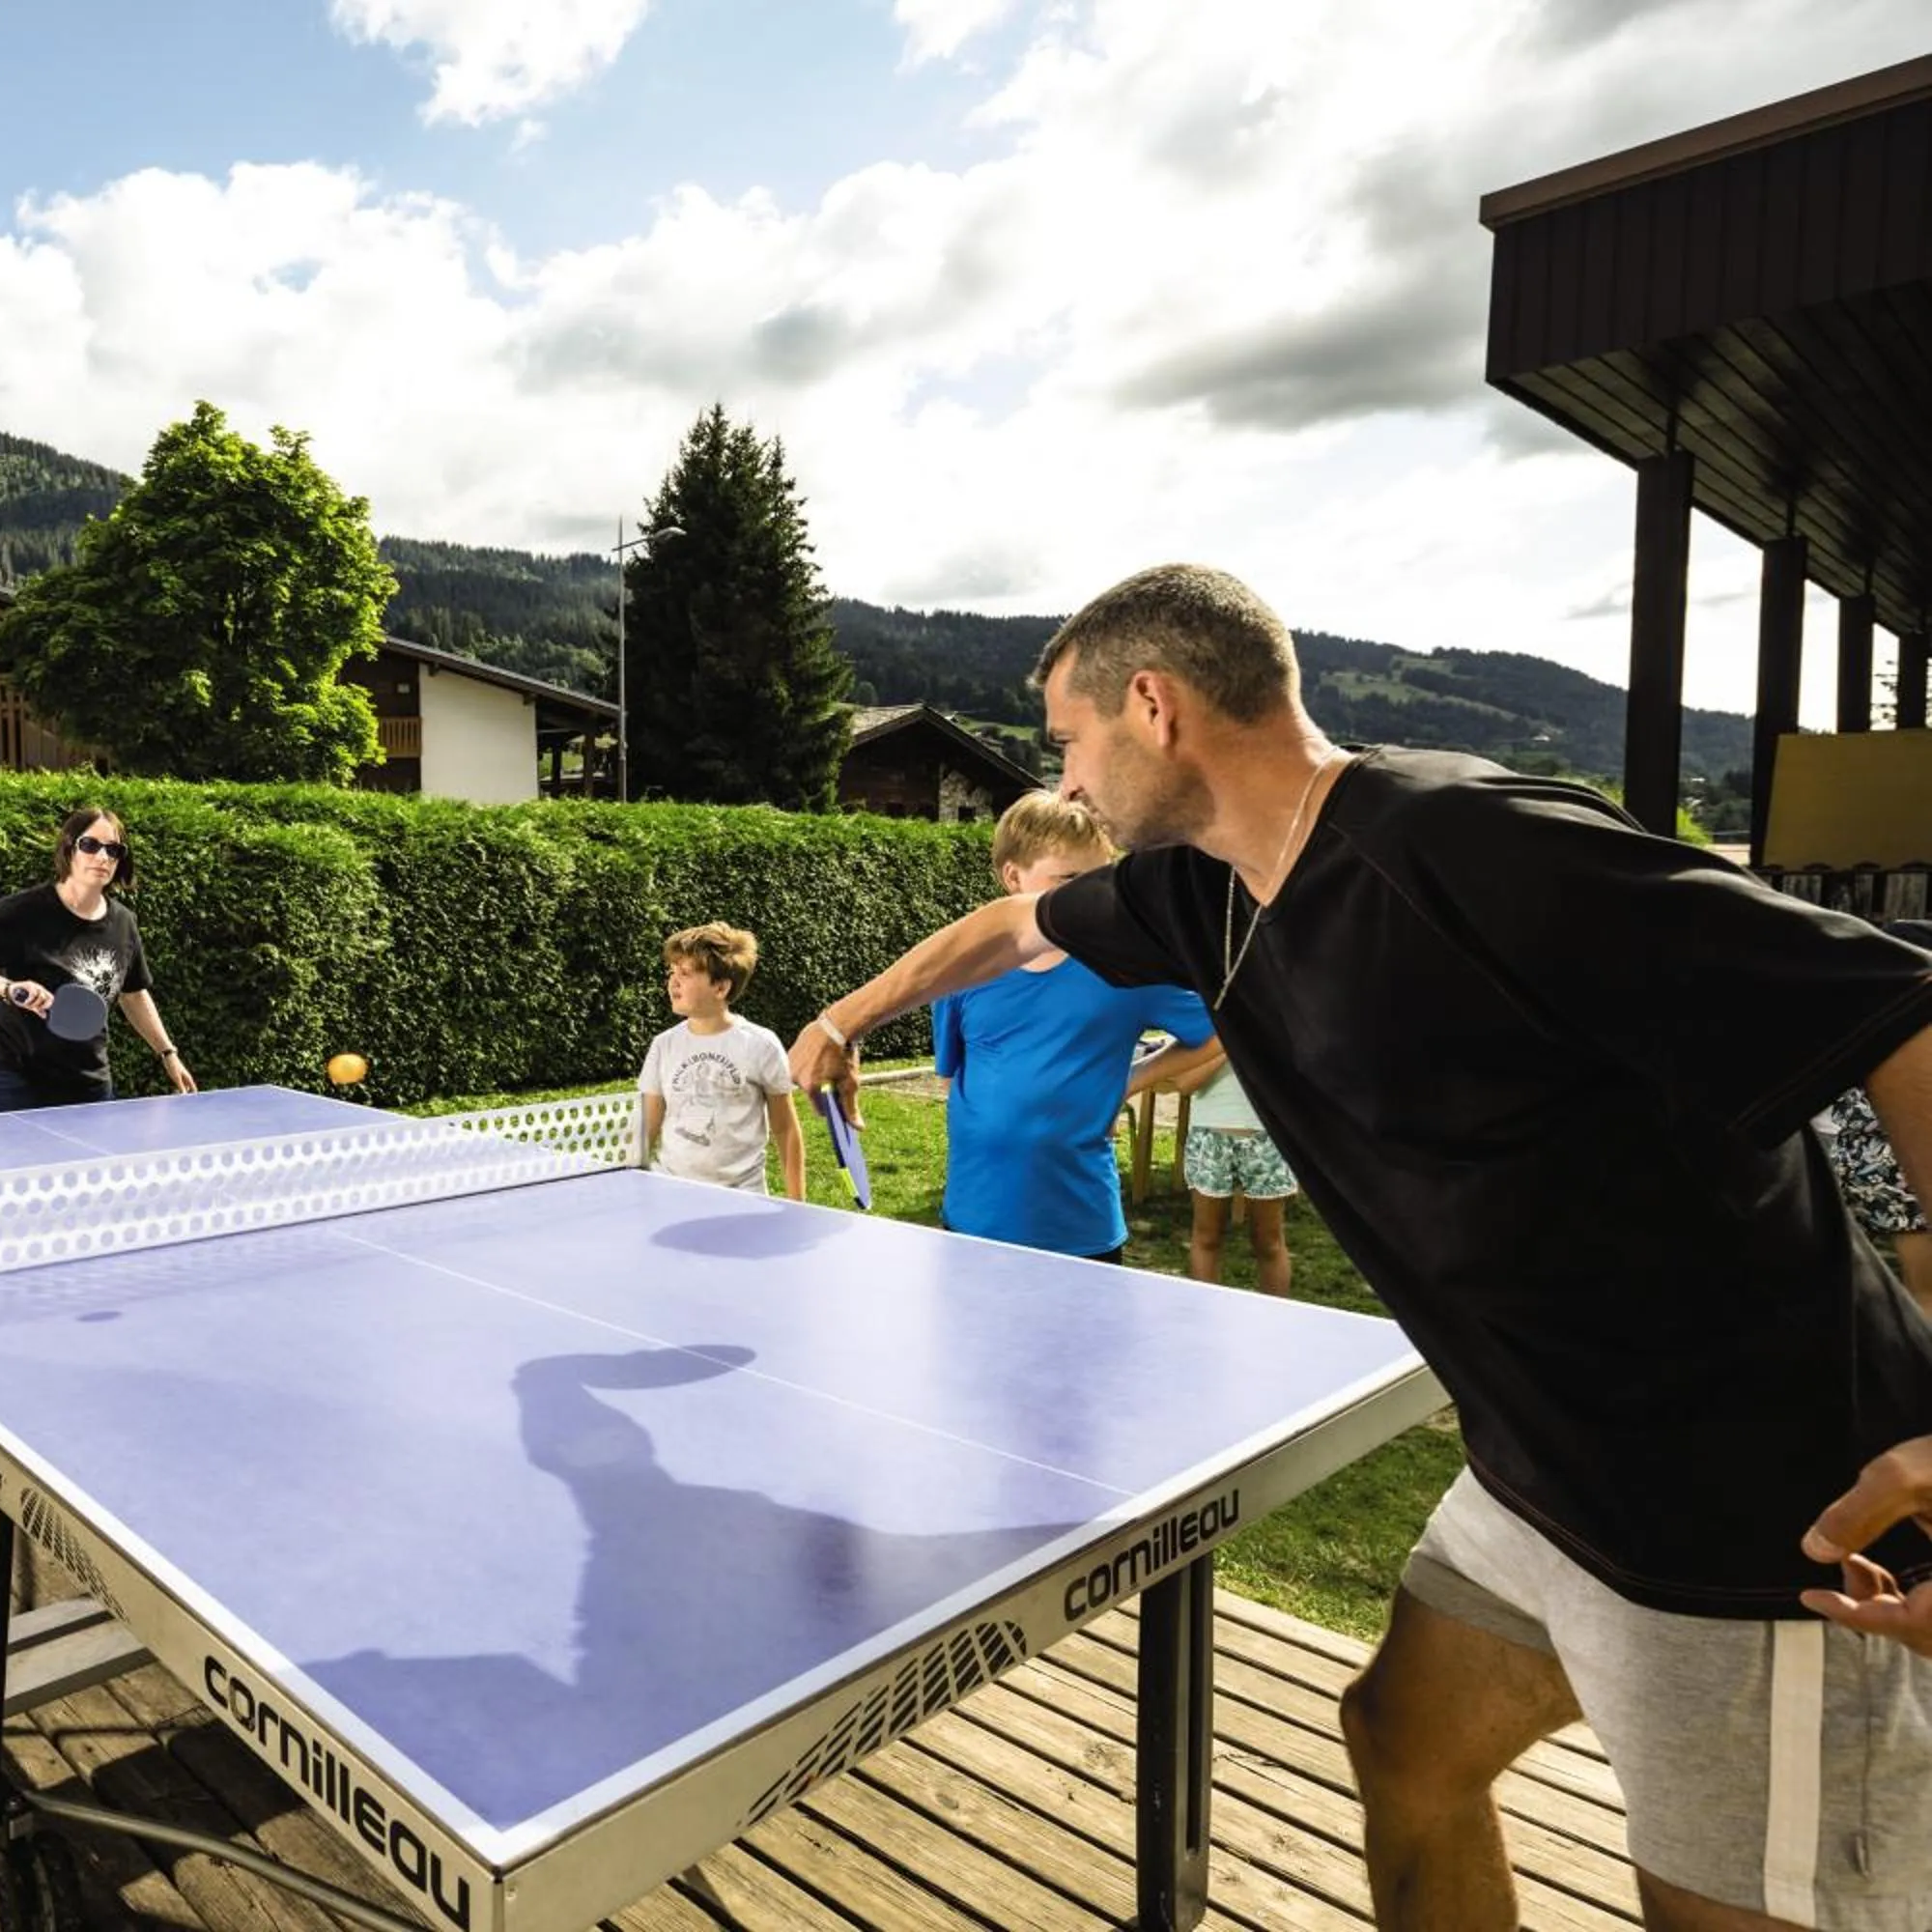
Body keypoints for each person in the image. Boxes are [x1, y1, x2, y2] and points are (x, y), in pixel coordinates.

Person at [788, 563, 1932, 1931]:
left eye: (1068, 740)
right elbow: (1012, 925)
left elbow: (1904, 1013)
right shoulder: (1197, 894)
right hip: (1536, 1477)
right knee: (1402, 1742)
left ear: (1151, 705)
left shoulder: (1472, 844)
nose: (1066, 781)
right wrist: (846, 1019)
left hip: (1756, 1510)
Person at [927, 792, 1218, 1263]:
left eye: (1102, 880)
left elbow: (1220, 1027)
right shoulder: (962, 967)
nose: (1093, 896)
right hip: (970, 1225)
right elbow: (951, 1077)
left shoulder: (1129, 965)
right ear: (1012, 877)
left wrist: (1132, 1079)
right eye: (1069, 880)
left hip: (1082, 1235)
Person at [0, 806, 197, 1110]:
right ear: (69, 849)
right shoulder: (25, 910)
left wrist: (168, 1053)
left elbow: (133, 994)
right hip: (18, 1076)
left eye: (113, 849)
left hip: (88, 1077)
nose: (102, 856)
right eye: (90, 845)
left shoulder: (123, 923)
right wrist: (8, 987)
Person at [638, 922, 805, 1199]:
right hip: (669, 1191)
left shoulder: (761, 1045)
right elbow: (647, 1127)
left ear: (721, 988)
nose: (673, 981)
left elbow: (786, 1130)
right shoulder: (663, 1045)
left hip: (742, 1198)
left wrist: (798, 1204)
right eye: (672, 971)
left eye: (686, 973)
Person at [1823, 919, 1932, 1317]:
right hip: (1890, 1171)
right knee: (1925, 1291)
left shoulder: (1860, 1029)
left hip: (1867, 1167)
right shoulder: (1900, 1034)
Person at [1173, 1044, 1296, 1294]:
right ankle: (1204, 1320)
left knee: (1269, 1243)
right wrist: (1230, 1043)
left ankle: (1276, 1325)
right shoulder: (1203, 1020)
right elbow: (1185, 1082)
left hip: (1268, 1137)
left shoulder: (1276, 1014)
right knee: (1207, 1237)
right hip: (1209, 1136)